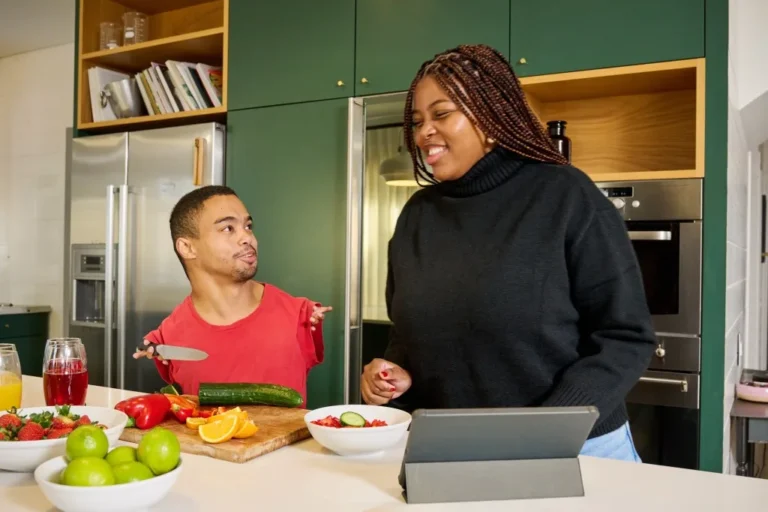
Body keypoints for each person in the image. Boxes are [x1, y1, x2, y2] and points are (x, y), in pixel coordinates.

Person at [360, 44, 655, 462]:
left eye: (441, 114)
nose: (424, 131)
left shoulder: (566, 196)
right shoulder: (416, 216)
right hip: (454, 449)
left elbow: (625, 337)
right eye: (417, 121)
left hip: (576, 449)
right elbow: (407, 332)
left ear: (492, 117)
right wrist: (393, 374)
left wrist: (547, 432)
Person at [133, 185, 331, 404]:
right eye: (228, 228)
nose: (247, 238)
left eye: (248, 226)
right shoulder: (168, 336)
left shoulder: (300, 315)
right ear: (187, 248)